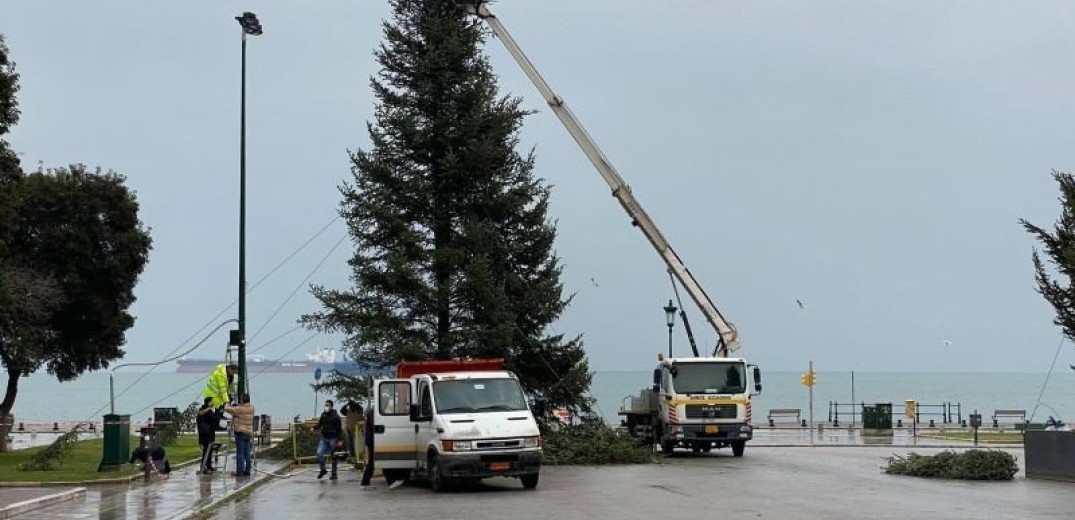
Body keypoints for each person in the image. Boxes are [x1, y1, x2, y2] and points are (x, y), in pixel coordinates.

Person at [224, 393, 255, 477]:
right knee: (247, 453)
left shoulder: (239, 409)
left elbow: (227, 409)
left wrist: (229, 404)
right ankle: (247, 470)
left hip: (240, 432)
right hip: (249, 432)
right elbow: (242, 409)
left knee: (240, 453)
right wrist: (237, 405)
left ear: (242, 400)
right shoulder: (252, 408)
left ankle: (239, 472)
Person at [315, 399, 343, 480]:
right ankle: (323, 470)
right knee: (319, 453)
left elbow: (339, 429)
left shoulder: (336, 417)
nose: (326, 407)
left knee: (334, 456)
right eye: (325, 405)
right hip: (324, 438)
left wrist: (340, 440)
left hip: (333, 438)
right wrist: (313, 428)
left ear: (331, 406)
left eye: (327, 405)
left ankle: (334, 474)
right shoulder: (323, 414)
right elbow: (319, 424)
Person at [196, 397, 218, 474]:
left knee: (208, 450)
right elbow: (214, 418)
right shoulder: (207, 411)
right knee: (207, 451)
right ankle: (204, 466)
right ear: (209, 402)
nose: (213, 402)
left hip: (205, 434)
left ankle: (208, 466)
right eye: (212, 401)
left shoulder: (204, 409)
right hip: (207, 434)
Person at [360, 406, 375, 487]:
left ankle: (366, 482)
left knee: (372, 462)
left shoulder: (372, 412)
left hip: (371, 440)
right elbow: (373, 425)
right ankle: (365, 482)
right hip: (371, 440)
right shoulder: (373, 413)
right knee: (372, 461)